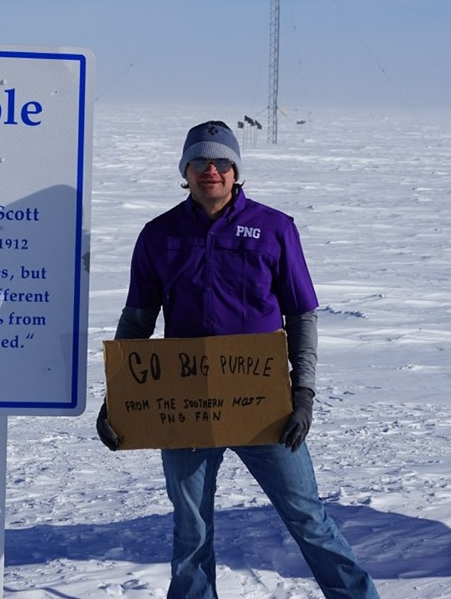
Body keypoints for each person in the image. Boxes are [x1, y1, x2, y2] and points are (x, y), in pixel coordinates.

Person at [97, 120, 380, 599]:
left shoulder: (274, 229)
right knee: (191, 529)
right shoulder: (158, 236)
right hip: (184, 403)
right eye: (201, 161)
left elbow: (302, 314)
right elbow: (137, 321)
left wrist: (303, 394)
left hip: (263, 406)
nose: (212, 169)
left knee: (307, 516)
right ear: (184, 170)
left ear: (236, 172)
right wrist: (118, 398)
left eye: (222, 161)